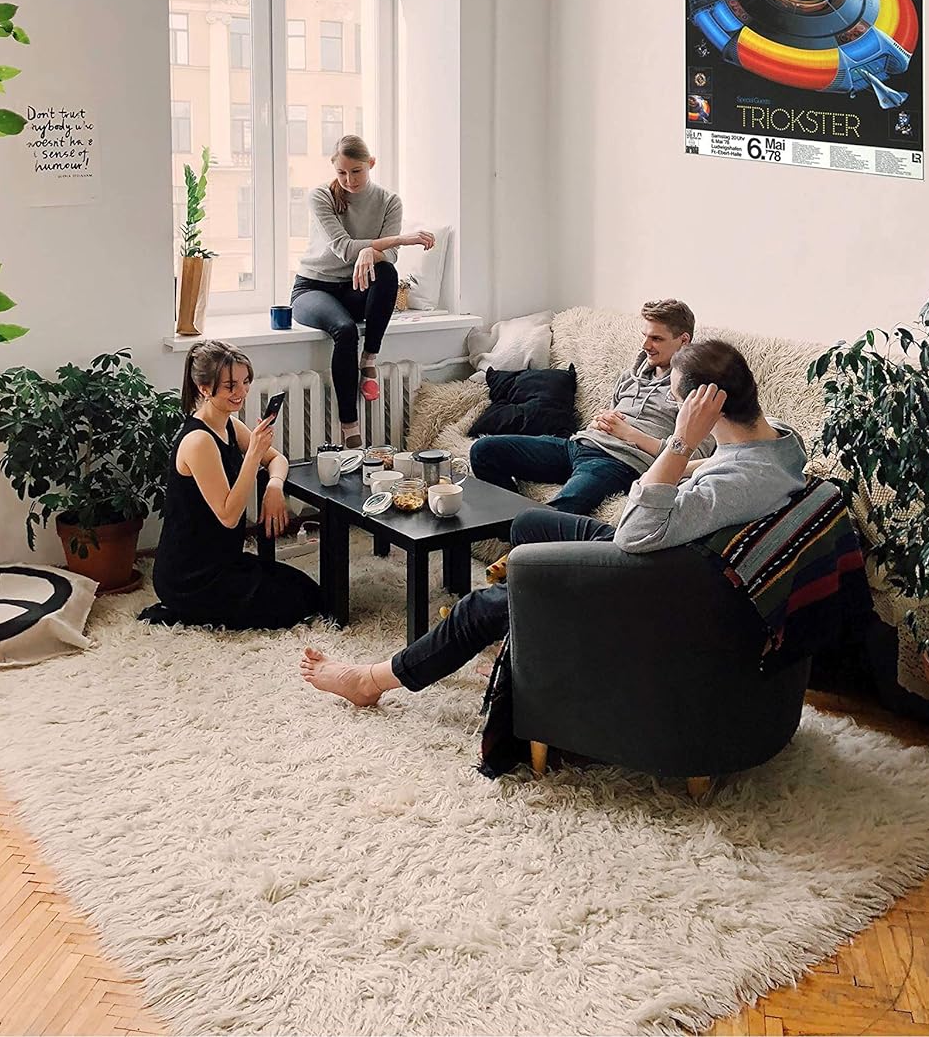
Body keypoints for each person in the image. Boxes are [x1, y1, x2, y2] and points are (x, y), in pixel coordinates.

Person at [298, 338, 805, 706]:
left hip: (650, 573)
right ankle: (521, 624)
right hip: (669, 542)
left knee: (480, 605)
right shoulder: (778, 442)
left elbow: (636, 531)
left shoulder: (734, 483)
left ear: (705, 406)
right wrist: (688, 461)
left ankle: (371, 680)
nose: (673, 403)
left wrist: (680, 442)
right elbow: (719, 471)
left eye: (676, 398)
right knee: (529, 525)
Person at [143, 341, 324, 630]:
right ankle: (184, 609)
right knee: (293, 607)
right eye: (231, 386)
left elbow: (276, 459)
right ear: (204, 388)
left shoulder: (228, 424)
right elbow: (228, 516)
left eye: (245, 382)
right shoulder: (199, 441)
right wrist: (252, 455)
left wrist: (274, 487)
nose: (241, 392)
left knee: (310, 593)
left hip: (225, 560)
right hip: (191, 576)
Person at [469, 299, 704, 515]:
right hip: (578, 445)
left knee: (558, 513)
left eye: (656, 339)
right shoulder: (630, 377)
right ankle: (511, 526)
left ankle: (525, 535)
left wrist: (630, 434)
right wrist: (599, 422)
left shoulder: (695, 390)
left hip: (618, 463)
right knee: (484, 450)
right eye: (645, 336)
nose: (645, 345)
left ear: (684, 340)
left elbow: (691, 455)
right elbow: (613, 415)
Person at [291, 134, 435, 448]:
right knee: (344, 331)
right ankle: (350, 427)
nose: (349, 180)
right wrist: (400, 239)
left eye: (356, 171)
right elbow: (344, 249)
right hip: (314, 288)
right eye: (342, 173)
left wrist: (372, 251)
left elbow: (389, 258)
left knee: (387, 272)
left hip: (354, 288)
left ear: (371, 164)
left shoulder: (389, 202)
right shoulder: (321, 196)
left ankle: (369, 357)